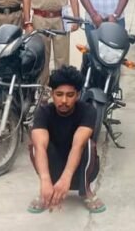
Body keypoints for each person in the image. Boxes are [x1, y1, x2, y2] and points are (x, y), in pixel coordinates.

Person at [28, 66, 105, 215]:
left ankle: (85, 191)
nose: (64, 100)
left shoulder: (88, 111)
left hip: (80, 165)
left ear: (78, 95)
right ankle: (46, 191)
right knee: (35, 146)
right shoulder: (43, 112)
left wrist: (66, 178)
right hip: (53, 164)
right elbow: (40, 146)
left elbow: (78, 145)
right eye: (59, 94)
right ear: (52, 94)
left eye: (70, 95)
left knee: (88, 145)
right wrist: (45, 180)